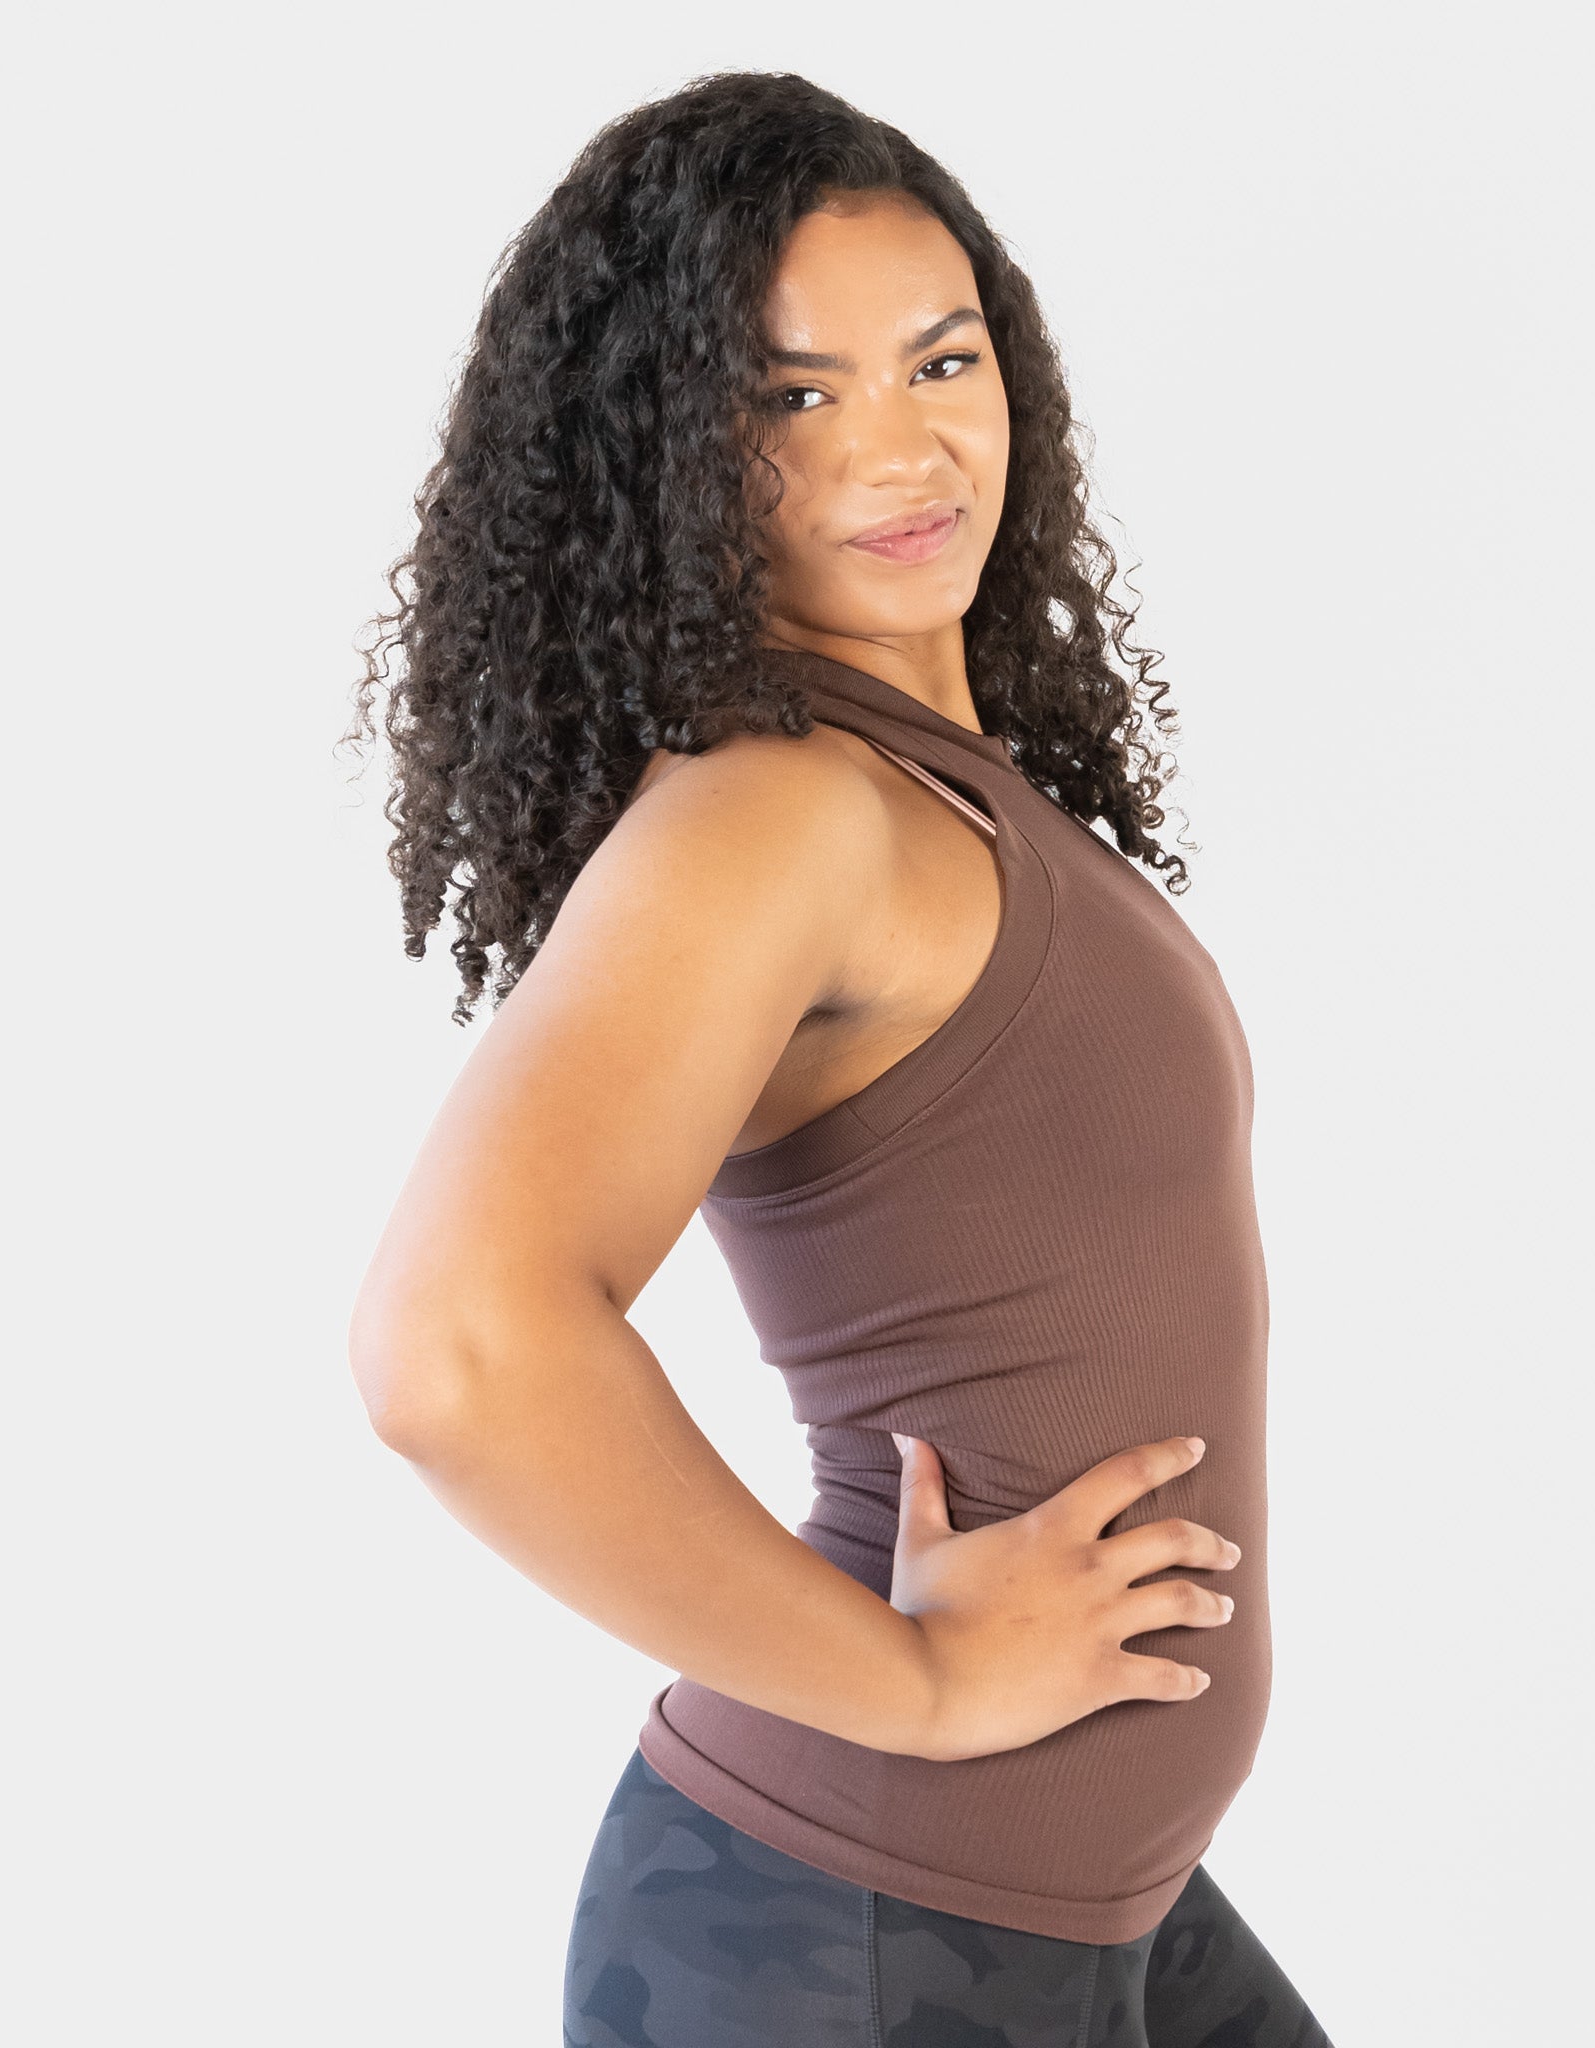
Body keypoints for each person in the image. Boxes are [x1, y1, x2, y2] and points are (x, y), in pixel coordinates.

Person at [347, 70, 1334, 2048]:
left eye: (938, 360)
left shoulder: (938, 787)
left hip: (1068, 1905)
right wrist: (922, 1687)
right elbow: (456, 1351)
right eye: (790, 396)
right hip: (854, 1931)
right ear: (661, 453)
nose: (900, 445)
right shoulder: (778, 812)